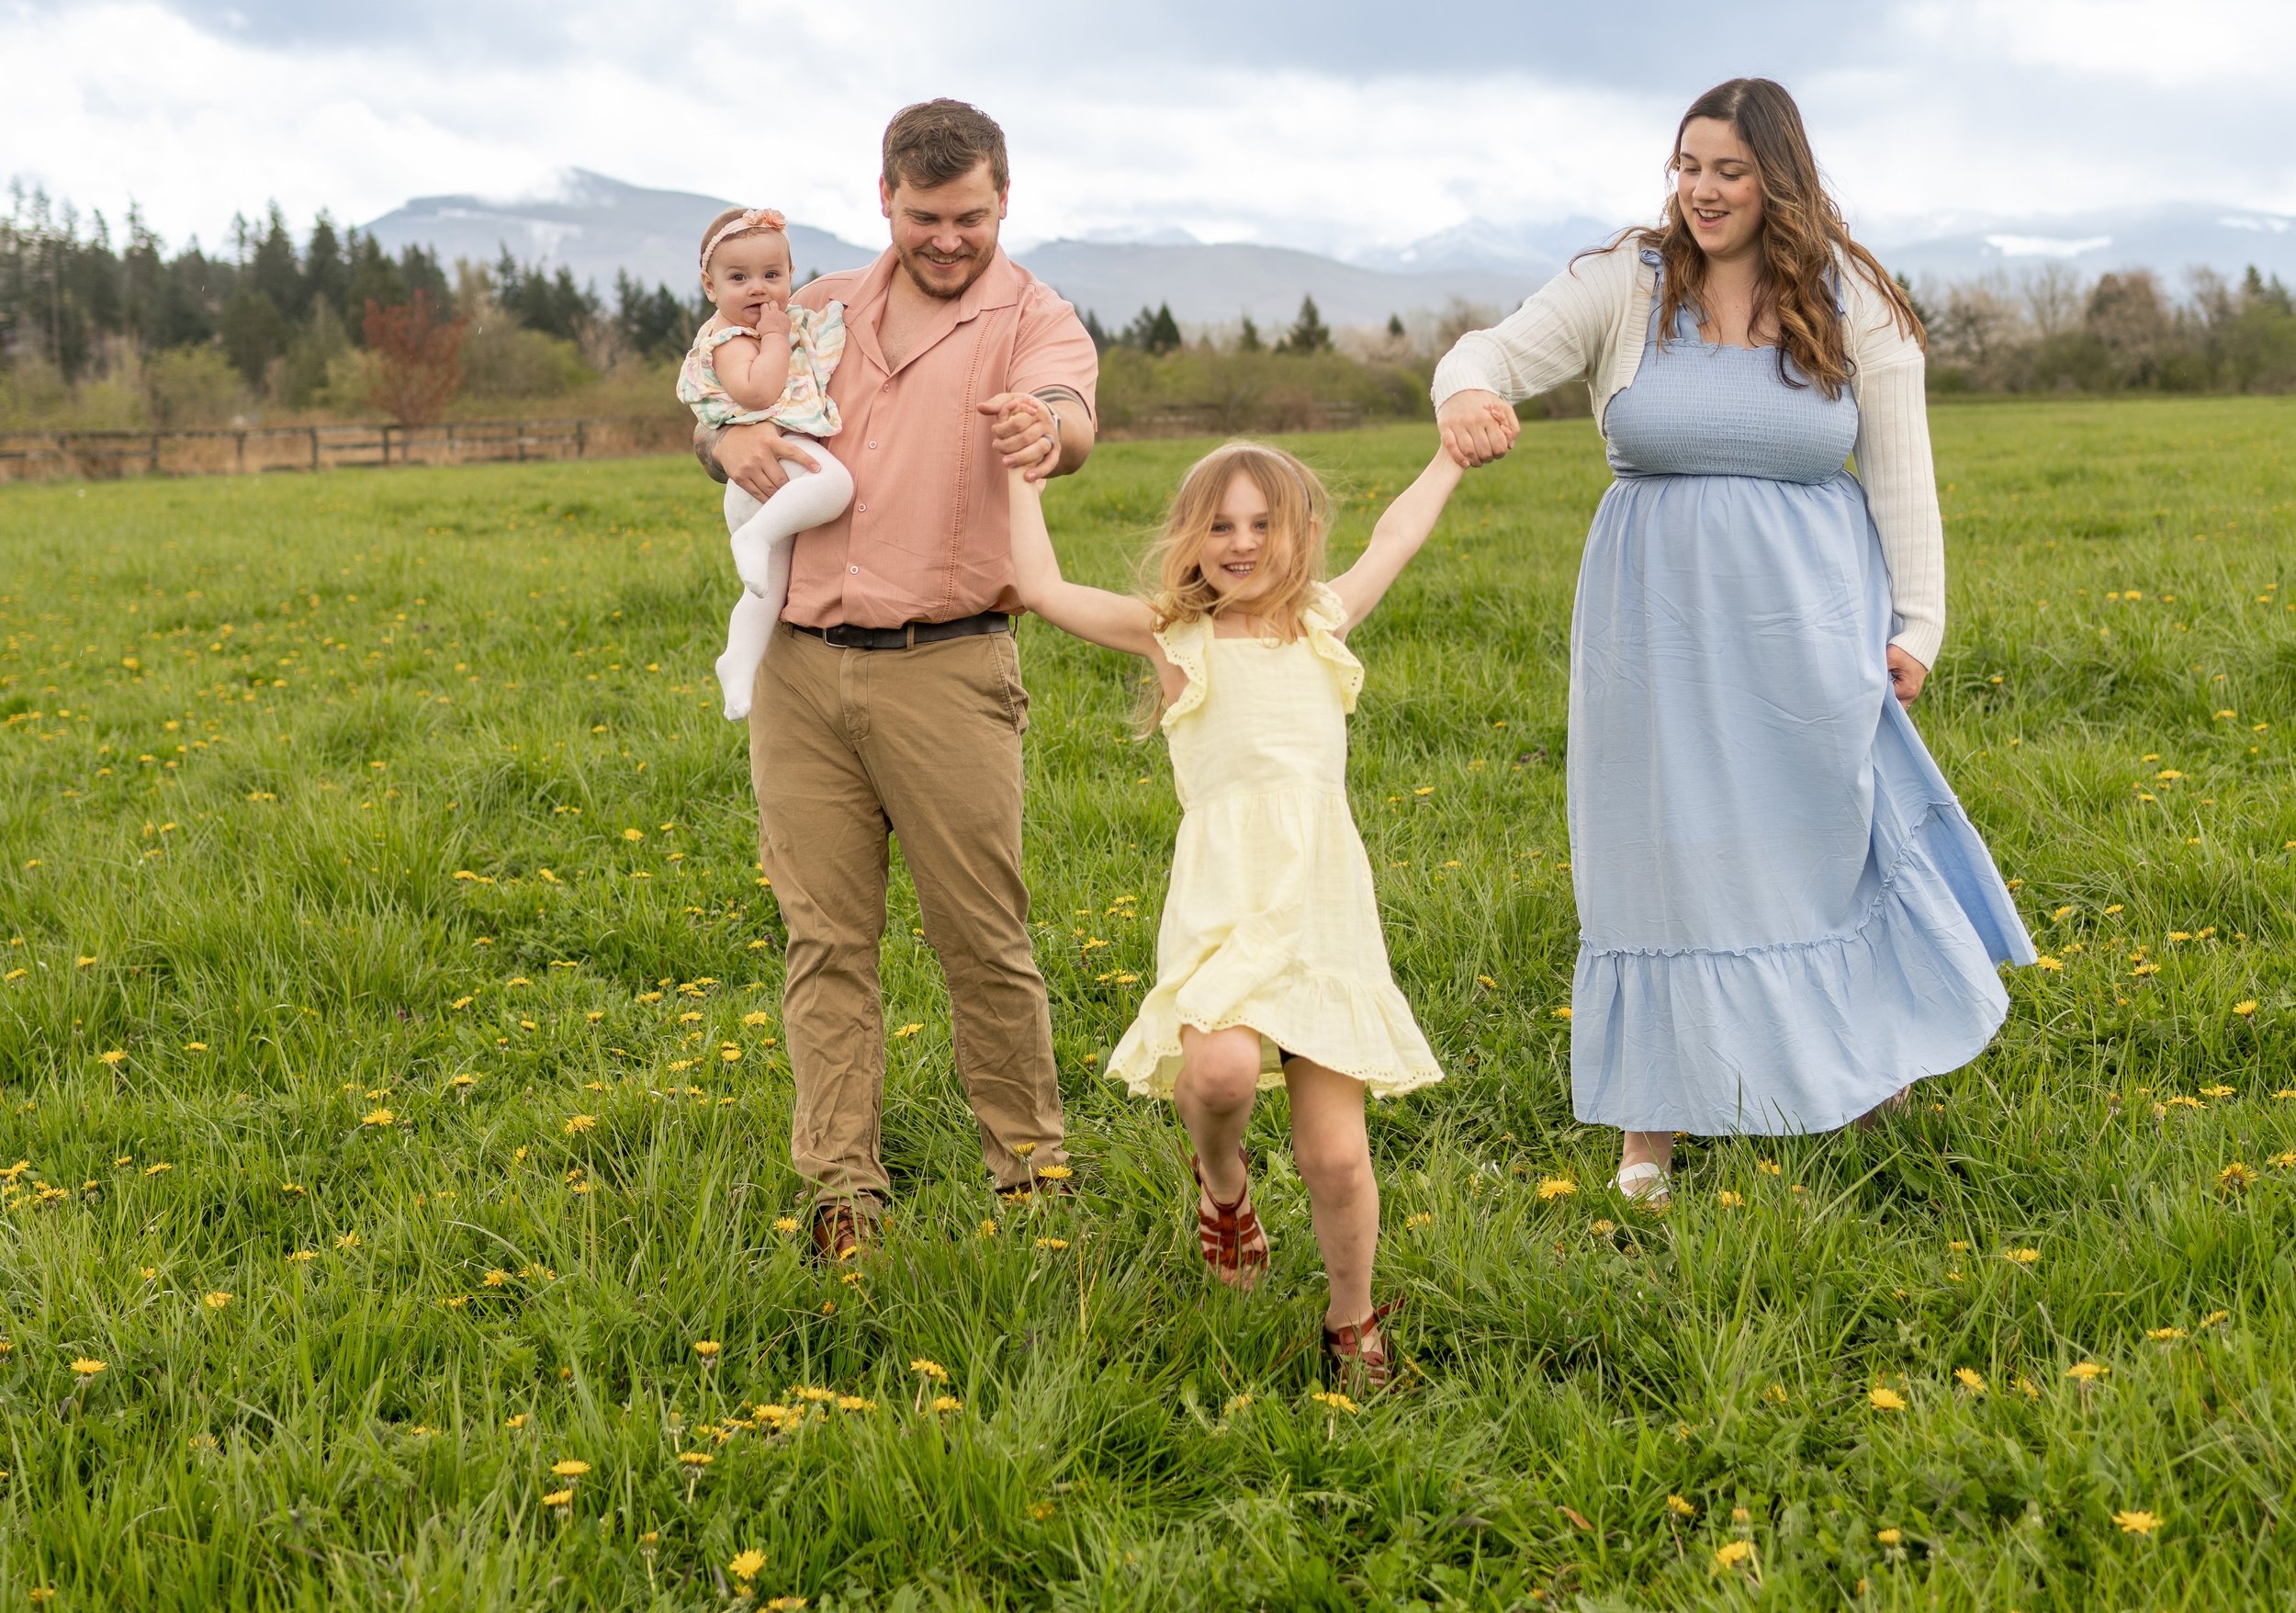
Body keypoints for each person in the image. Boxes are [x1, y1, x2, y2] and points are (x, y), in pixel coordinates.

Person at [1433, 77, 2033, 1205]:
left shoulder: (1854, 296)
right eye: (1688, 166)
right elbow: (1486, 352)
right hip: (1649, 625)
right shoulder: (1625, 282)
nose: (1701, 191)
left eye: (1729, 170)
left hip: (1807, 618)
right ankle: (1649, 1127)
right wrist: (1462, 395)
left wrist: (1918, 628)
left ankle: (1857, 1068)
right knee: (1656, 852)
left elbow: (1903, 478)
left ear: (1779, 179)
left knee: (1817, 843)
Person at [696, 99, 1097, 1261]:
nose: (946, 237)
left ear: (1003, 200)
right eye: (924, 215)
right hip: (800, 669)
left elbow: (1068, 416)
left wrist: (1042, 430)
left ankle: (1029, 1176)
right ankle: (843, 1192)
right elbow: (722, 401)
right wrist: (724, 442)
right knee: (824, 939)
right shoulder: (811, 308)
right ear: (885, 199)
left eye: (969, 215)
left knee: (983, 936)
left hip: (950, 664)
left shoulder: (1036, 320)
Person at [1002, 437, 1452, 1392]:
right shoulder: (1177, 638)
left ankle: (1350, 1320)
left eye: (1263, 523)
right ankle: (1223, 1187)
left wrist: (1450, 456)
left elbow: (1400, 533)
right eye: (1220, 524)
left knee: (1335, 1154)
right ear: (1192, 539)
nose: (1242, 543)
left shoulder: (1324, 621)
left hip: (1323, 913)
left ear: (1301, 534)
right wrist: (1018, 474)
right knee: (1216, 1070)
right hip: (1223, 909)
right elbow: (1039, 587)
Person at [676, 207, 855, 722]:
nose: (759, 290)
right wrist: (777, 338)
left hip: (770, 484)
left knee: (769, 589)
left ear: (791, 275)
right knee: (836, 484)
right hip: (770, 475)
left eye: (772, 276)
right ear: (710, 287)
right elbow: (757, 393)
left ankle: (738, 663)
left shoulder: (772, 325)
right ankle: (751, 538)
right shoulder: (731, 341)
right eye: (739, 278)